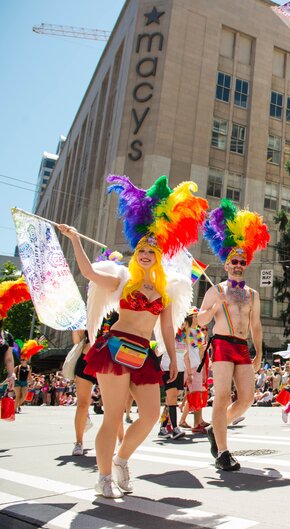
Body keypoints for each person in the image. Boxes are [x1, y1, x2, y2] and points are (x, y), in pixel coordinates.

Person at [57, 174, 205, 498]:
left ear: (158, 256)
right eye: (141, 249)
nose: (145, 254)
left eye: (152, 250)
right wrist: (76, 241)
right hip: (114, 350)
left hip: (145, 354)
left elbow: (167, 328)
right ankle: (104, 476)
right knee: (112, 417)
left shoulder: (165, 291)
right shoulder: (122, 280)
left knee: (152, 414)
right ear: (136, 252)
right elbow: (89, 274)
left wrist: (173, 359)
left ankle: (122, 459)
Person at [198, 199, 268, 471]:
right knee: (223, 395)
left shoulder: (252, 294)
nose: (238, 265)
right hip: (222, 345)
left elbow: (256, 326)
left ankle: (216, 429)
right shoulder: (216, 290)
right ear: (226, 265)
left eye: (241, 261)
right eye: (233, 262)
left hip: (242, 347)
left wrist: (259, 352)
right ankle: (223, 451)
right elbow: (201, 320)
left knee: (248, 397)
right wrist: (215, 307)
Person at [158, 313, 196, 440]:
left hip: (180, 370)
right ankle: (174, 428)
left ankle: (163, 427)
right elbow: (159, 350)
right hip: (168, 368)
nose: (184, 325)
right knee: (172, 398)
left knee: (171, 400)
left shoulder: (184, 338)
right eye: (183, 322)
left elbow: (186, 357)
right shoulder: (170, 334)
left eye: (186, 323)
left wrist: (189, 373)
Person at [71, 330, 96, 456]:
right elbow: (77, 341)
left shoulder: (118, 311)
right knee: (82, 404)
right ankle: (79, 442)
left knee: (112, 405)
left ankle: (120, 440)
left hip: (109, 361)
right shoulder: (87, 313)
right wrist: (75, 327)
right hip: (86, 360)